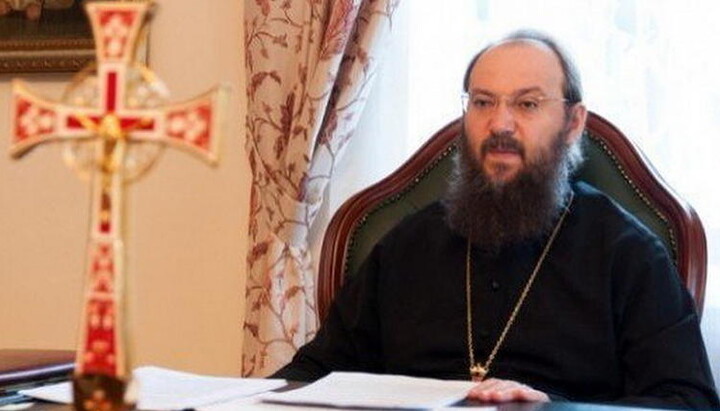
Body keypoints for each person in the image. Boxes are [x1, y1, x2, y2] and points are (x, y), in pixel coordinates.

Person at [272, 30, 720, 408]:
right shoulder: (408, 244)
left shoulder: (628, 254)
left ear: (573, 123)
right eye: (483, 102)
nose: (500, 124)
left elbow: (686, 401)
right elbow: (311, 374)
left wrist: (555, 408)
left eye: (527, 104)